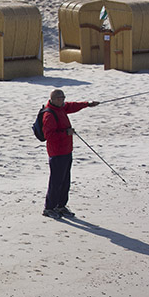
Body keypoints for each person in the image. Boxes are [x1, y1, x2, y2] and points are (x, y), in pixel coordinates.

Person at [41, 89, 99, 219]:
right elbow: (49, 136)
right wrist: (66, 133)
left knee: (65, 180)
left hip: (67, 150)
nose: (63, 100)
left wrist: (88, 104)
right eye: (60, 98)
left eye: (63, 98)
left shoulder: (61, 107)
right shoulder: (49, 114)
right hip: (57, 153)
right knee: (56, 181)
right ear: (54, 99)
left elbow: (73, 106)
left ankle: (61, 206)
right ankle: (49, 208)